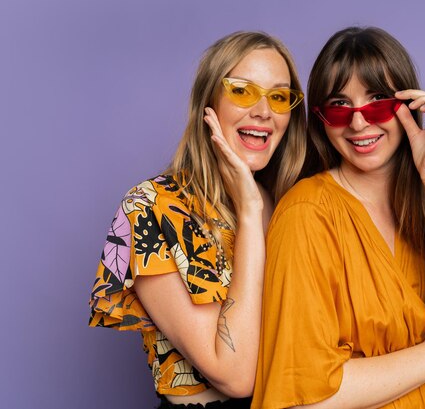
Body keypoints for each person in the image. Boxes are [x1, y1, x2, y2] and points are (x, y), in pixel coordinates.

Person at [252, 26, 425, 409]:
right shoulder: (306, 215)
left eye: (378, 103)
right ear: (321, 119)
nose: (358, 123)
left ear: (409, 107)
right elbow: (303, 399)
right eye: (339, 107)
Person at [89, 31, 306, 408]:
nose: (264, 111)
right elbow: (236, 376)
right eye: (242, 90)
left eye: (279, 96)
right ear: (209, 102)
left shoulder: (294, 204)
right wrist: (251, 216)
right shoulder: (152, 207)